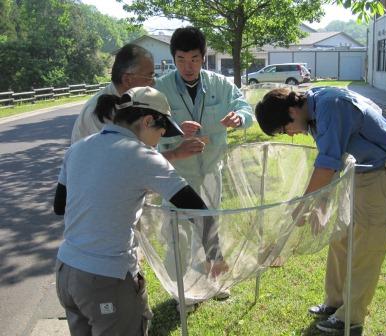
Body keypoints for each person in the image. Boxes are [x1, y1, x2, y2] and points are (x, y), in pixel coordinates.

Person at [54, 86, 228, 335]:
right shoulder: (142, 155)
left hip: (66, 273)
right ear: (148, 121)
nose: (161, 138)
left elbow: (59, 206)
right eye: (162, 130)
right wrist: (215, 256)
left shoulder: (78, 148)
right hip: (106, 278)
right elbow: (197, 209)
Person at [255, 86, 386, 334]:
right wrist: (320, 205)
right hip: (355, 175)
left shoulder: (330, 105)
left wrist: (302, 208)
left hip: (381, 176)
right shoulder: (311, 111)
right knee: (340, 239)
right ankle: (334, 302)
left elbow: (326, 165)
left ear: (292, 111)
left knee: (366, 248)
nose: (290, 135)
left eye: (285, 128)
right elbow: (332, 158)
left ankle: (351, 317)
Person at [154, 26, 253, 303]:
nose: (188, 66)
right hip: (175, 174)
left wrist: (239, 118)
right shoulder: (159, 89)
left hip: (211, 169)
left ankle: (215, 281)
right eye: (181, 59)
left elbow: (244, 107)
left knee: (210, 226)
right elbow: (146, 124)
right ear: (173, 58)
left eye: (195, 59)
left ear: (203, 57)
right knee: (178, 233)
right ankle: (180, 292)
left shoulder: (218, 84)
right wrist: (173, 130)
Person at [71, 43, 204, 160]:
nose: (153, 82)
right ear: (128, 79)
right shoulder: (100, 114)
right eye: (149, 76)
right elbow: (127, 163)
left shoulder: (135, 102)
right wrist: (175, 154)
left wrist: (176, 133)